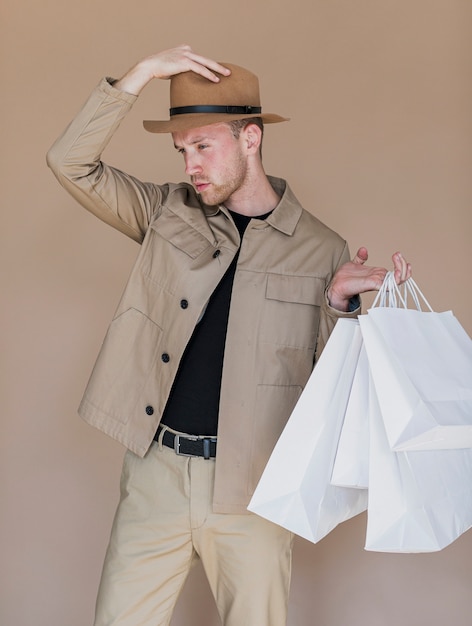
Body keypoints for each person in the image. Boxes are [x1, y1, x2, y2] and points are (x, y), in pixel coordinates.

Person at [47, 44, 411, 626]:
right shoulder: (167, 212)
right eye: (181, 150)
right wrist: (139, 75)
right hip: (156, 474)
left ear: (251, 139)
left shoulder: (322, 249)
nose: (189, 165)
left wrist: (341, 305)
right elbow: (70, 163)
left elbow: (332, 393)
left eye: (203, 145)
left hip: (256, 489)